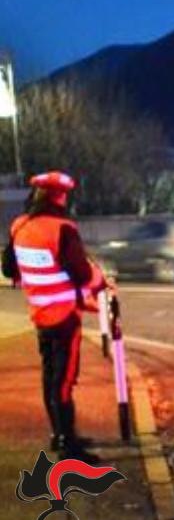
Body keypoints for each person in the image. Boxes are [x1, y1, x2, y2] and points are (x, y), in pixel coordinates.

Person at [2, 171, 105, 462]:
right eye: (64, 195)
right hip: (64, 316)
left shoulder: (20, 226)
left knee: (50, 376)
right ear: (59, 196)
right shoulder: (63, 228)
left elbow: (10, 269)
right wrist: (98, 278)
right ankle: (70, 449)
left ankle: (59, 433)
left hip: (39, 314)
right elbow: (82, 274)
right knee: (64, 380)